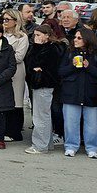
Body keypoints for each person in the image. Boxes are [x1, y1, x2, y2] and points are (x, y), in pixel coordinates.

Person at [58, 28, 97, 158]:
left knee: (93, 124)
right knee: (70, 122)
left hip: (91, 93)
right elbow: (61, 72)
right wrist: (72, 66)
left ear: (87, 39)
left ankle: (92, 148)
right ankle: (71, 146)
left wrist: (89, 67)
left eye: (79, 38)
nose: (75, 40)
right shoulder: (69, 52)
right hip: (71, 93)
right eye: (75, 37)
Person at [24, 25, 63, 154]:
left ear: (47, 35)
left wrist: (38, 69)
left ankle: (40, 145)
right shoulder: (37, 47)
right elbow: (30, 62)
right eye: (35, 35)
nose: (36, 38)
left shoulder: (52, 48)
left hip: (44, 84)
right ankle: (47, 143)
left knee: (41, 116)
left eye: (39, 35)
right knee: (43, 115)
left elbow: (46, 65)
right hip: (37, 83)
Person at [0, 8, 29, 142]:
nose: (4, 22)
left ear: (16, 21)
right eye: (3, 19)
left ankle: (14, 132)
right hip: (1, 71)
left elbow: (19, 56)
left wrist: (2, 57)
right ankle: (3, 130)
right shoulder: (1, 35)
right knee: (3, 100)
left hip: (16, 71)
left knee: (16, 101)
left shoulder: (22, 37)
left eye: (7, 19)